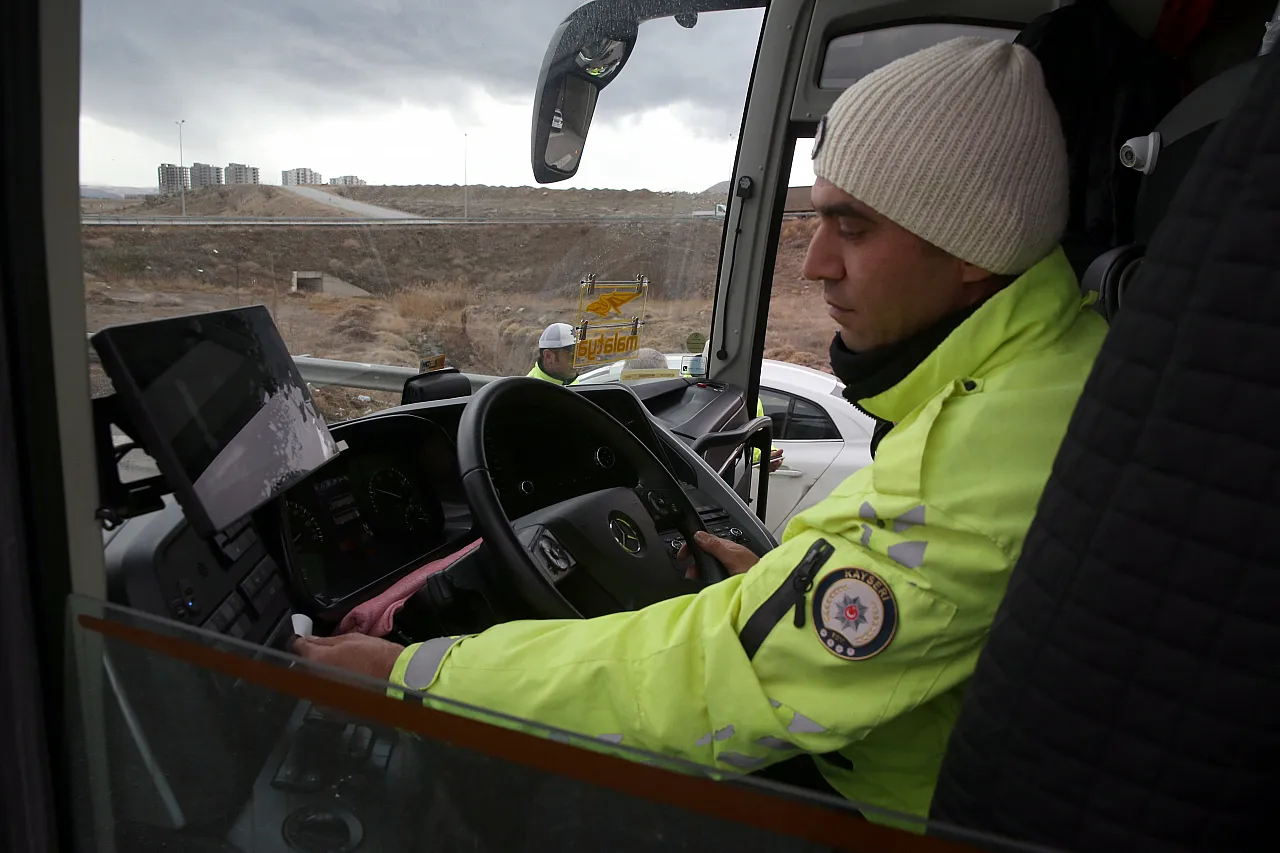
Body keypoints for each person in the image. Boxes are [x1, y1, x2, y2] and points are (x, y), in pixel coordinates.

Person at [295, 37, 1106, 827]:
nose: (815, 263)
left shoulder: (983, 460)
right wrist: (781, 585)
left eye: (853, 228)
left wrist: (417, 675)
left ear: (973, 242)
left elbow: (713, 680)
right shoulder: (1040, 375)